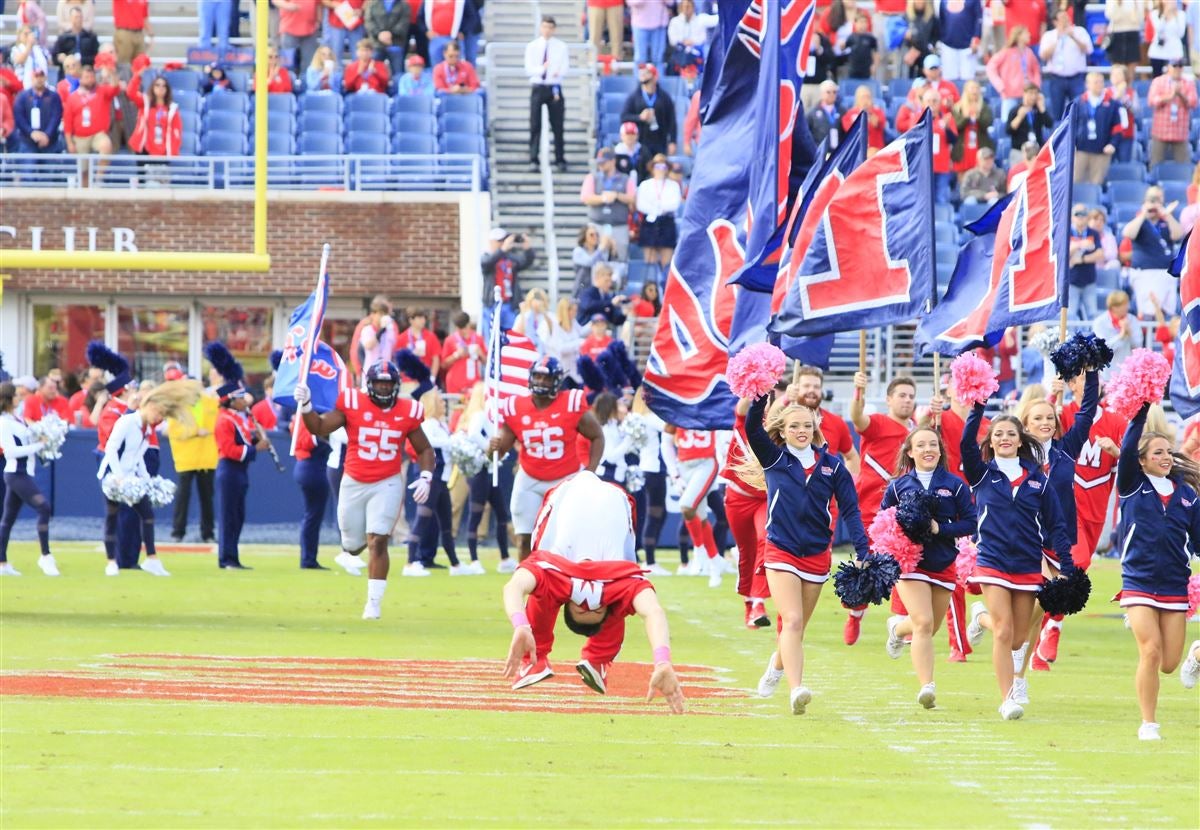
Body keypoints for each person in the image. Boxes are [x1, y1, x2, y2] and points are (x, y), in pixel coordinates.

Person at [745, 392, 869, 715]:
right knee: (794, 619)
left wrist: (862, 548)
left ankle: (775, 667)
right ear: (783, 431)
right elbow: (751, 428)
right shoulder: (774, 458)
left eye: (806, 425)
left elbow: (852, 511)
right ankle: (796, 689)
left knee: (796, 628)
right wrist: (760, 397)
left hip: (816, 554)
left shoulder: (833, 467)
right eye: (794, 426)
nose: (801, 430)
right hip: (780, 550)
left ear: (815, 428)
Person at [961, 399, 1073, 721]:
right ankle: (1007, 699)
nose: (1004, 438)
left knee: (1019, 638)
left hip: (1026, 565)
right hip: (992, 561)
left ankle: (979, 616)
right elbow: (967, 443)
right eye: (998, 434)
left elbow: (1057, 525)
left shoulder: (1038, 480)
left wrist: (1065, 567)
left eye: (1011, 433)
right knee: (1004, 632)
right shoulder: (981, 475)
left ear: (1021, 439)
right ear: (991, 440)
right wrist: (978, 407)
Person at [297, 360, 435, 619]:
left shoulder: (409, 410)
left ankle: (373, 603)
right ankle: (353, 549)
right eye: (379, 383)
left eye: (388, 383)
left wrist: (426, 475)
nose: (384, 388)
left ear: (396, 385)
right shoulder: (352, 402)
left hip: (388, 481)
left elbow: (424, 448)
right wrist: (306, 406)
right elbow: (319, 427)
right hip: (354, 480)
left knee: (378, 540)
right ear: (369, 385)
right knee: (352, 544)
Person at [500, 548, 684, 712]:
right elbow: (653, 611)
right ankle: (598, 658)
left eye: (581, 608)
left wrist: (521, 625)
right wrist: (662, 661)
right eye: (596, 608)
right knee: (618, 604)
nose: (588, 603)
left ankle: (538, 657)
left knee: (543, 592)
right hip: (618, 514)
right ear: (605, 607)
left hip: (558, 513)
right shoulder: (626, 583)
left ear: (566, 602)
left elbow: (513, 587)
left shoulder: (551, 574)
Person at [1114, 403, 1200, 740]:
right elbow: (1125, 450)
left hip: (1174, 585)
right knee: (1150, 650)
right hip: (1137, 581)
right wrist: (1140, 413)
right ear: (1142, 460)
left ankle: (1195, 653)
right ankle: (1149, 723)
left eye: (1168, 451)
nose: (1166, 457)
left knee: (1168, 663)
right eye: (1158, 452)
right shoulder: (1132, 486)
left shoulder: (1188, 496)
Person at [881, 426, 977, 707]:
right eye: (921, 445)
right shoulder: (898, 486)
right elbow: (883, 521)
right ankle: (927, 687)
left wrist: (940, 528)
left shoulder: (956, 484)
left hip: (943, 561)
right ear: (910, 452)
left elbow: (970, 522)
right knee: (923, 622)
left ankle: (897, 630)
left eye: (933, 444)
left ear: (940, 450)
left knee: (929, 626)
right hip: (910, 563)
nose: (928, 450)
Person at [488, 357, 605, 561]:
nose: (541, 381)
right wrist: (492, 449)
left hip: (565, 479)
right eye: (538, 376)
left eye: (546, 377)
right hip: (529, 478)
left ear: (557, 381)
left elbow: (597, 436)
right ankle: (527, 584)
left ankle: (566, 582)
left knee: (567, 539)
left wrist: (590, 471)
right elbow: (497, 455)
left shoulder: (571, 403)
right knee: (524, 539)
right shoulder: (516, 407)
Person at [100, 379, 203, 578]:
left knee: (147, 515)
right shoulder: (127, 421)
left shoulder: (146, 429)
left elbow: (138, 457)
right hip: (112, 476)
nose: (159, 418)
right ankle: (111, 562)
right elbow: (110, 449)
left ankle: (152, 559)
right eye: (159, 413)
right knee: (112, 516)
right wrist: (119, 477)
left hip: (131, 477)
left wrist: (147, 480)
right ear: (151, 406)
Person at [845, 372, 918, 644]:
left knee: (904, 562)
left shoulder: (916, 432)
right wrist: (858, 392)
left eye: (911, 396)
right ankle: (855, 612)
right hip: (870, 506)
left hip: (903, 509)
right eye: (901, 395)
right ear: (889, 399)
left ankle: (901, 620)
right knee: (866, 564)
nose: (907, 400)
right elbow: (857, 418)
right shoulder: (878, 423)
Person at [209, 345, 268, 571]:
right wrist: (257, 448)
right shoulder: (224, 420)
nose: (246, 400)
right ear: (231, 400)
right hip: (229, 470)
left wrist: (254, 439)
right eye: (241, 397)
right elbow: (229, 449)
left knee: (238, 516)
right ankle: (226, 558)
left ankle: (233, 556)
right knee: (228, 517)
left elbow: (242, 442)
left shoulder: (238, 417)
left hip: (240, 471)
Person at [406, 389, 475, 575]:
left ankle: (456, 565)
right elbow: (430, 444)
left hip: (442, 479)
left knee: (446, 524)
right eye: (440, 401)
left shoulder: (440, 424)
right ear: (432, 404)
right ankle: (410, 562)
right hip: (432, 478)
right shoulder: (428, 424)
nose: (444, 404)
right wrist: (453, 441)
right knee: (422, 519)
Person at [0, 382, 58, 577]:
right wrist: (38, 446)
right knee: (43, 507)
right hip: (16, 473)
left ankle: (2, 564)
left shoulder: (16, 418)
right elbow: (9, 451)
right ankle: (45, 556)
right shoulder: (3, 422)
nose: (19, 397)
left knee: (7, 520)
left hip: (24, 472)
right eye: (16, 395)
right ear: (8, 399)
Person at [457, 383, 515, 573]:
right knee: (476, 514)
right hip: (481, 471)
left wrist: (498, 452)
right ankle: (474, 560)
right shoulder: (479, 415)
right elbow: (474, 435)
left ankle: (505, 558)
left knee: (501, 514)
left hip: (491, 470)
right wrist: (489, 449)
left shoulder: (491, 418)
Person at [724, 394, 770, 626]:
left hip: (764, 499)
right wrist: (753, 387)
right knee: (746, 551)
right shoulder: (743, 423)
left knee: (765, 540)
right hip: (738, 498)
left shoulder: (776, 429)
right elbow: (742, 407)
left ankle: (759, 602)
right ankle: (748, 601)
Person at [167, 378, 218, 543]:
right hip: (186, 457)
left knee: (207, 497)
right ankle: (178, 531)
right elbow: (174, 430)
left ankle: (208, 533)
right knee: (183, 496)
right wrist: (195, 431)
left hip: (206, 457)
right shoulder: (178, 406)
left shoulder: (211, 403)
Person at [1123, 185, 1185, 320]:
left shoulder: (1166, 220)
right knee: (1147, 312)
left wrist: (1167, 215)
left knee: (1168, 312)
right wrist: (1144, 214)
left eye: (1156, 201)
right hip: (1144, 272)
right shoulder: (1140, 221)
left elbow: (1178, 235)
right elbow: (1128, 233)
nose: (1153, 205)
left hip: (1165, 272)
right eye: (1151, 201)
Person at [524, 15, 569, 172]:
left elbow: (564, 68)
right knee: (535, 124)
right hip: (538, 85)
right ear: (540, 28)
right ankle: (533, 158)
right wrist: (542, 69)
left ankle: (559, 158)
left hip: (554, 86)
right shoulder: (533, 46)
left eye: (550, 27)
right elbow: (529, 69)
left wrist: (556, 72)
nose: (547, 30)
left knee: (557, 125)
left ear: (554, 29)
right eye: (544, 27)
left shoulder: (561, 46)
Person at [62, 63, 118, 181]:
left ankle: (98, 179)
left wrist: (111, 73)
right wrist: (69, 143)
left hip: (98, 134)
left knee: (106, 145)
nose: (90, 80)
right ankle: (85, 192)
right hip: (80, 137)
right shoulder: (73, 98)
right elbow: (67, 122)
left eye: (92, 77)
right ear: (81, 79)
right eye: (87, 77)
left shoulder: (101, 91)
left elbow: (115, 88)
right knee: (84, 171)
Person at [580, 149, 635, 260]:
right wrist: (603, 198)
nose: (601, 165)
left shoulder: (625, 179)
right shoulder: (592, 178)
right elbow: (585, 198)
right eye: (599, 162)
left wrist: (617, 196)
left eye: (604, 162)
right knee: (596, 259)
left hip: (619, 225)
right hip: (597, 225)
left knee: (620, 259)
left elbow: (633, 198)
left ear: (613, 161)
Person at [481, 228, 536, 336]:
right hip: (492, 304)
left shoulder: (510, 258)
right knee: (492, 337)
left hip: (509, 304)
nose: (503, 243)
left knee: (511, 335)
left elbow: (525, 262)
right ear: (492, 242)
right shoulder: (486, 257)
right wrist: (502, 250)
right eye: (500, 241)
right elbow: (487, 263)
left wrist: (528, 249)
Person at [635, 153, 683, 279]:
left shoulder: (673, 185)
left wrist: (660, 208)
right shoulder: (645, 185)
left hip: (666, 221)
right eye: (657, 166)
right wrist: (655, 209)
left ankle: (665, 285)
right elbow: (641, 204)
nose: (660, 169)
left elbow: (674, 203)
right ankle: (650, 285)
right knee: (650, 259)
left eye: (663, 166)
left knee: (666, 258)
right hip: (650, 222)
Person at [1038, 8, 1092, 118]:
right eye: (1061, 18)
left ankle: (1078, 135)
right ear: (1055, 22)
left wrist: (1073, 36)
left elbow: (1088, 50)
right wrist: (1058, 39)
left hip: (1076, 78)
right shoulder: (1049, 35)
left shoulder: (1079, 31)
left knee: (1079, 112)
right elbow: (1043, 55)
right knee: (1057, 113)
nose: (1065, 20)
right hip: (1057, 78)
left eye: (1066, 17)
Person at [620, 64, 677, 162]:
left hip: (660, 141)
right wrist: (640, 117)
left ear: (655, 76)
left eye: (647, 73)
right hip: (639, 142)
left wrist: (672, 141)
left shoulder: (664, 97)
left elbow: (671, 120)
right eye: (641, 73)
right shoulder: (633, 97)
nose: (643, 75)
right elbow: (624, 117)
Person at [1146, 59, 1197, 166]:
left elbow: (1193, 103)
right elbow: (1152, 101)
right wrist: (1170, 95)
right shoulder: (1158, 81)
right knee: (1155, 164)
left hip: (1180, 133)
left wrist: (1180, 94)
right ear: (1168, 67)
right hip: (1161, 132)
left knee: (1184, 167)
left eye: (1180, 66)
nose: (1178, 68)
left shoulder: (1188, 83)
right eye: (1175, 66)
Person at [1073, 71, 1120, 186]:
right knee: (1075, 184)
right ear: (1087, 85)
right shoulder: (1078, 102)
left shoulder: (1112, 103)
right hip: (1080, 151)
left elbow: (1118, 127)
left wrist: (1113, 144)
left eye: (1101, 82)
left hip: (1101, 152)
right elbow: (1070, 126)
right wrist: (1072, 144)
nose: (1099, 85)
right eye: (1096, 82)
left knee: (1095, 186)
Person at [986, 26, 1041, 121]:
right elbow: (990, 68)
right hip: (1009, 94)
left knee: (1029, 124)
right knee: (1008, 122)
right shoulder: (1006, 52)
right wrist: (1000, 85)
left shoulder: (1029, 52)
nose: (1029, 35)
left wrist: (1036, 86)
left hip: (1028, 95)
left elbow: (1036, 69)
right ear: (1018, 36)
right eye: (1026, 33)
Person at [126, 69, 182, 158]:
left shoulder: (172, 109)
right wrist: (137, 76)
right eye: (157, 85)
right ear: (152, 87)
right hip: (144, 149)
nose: (161, 88)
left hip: (164, 151)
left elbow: (176, 132)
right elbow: (130, 93)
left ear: (167, 89)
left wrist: (172, 151)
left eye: (164, 86)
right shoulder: (145, 102)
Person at [349, 295, 399, 385]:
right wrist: (358, 371)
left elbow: (394, 349)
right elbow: (363, 347)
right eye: (381, 314)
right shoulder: (366, 327)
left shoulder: (391, 329)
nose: (384, 317)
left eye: (386, 314)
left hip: (386, 373)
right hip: (370, 372)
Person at [1067, 203, 1104, 321]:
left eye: (1083, 214)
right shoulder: (1066, 232)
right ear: (1072, 217)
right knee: (1071, 315)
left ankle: (1092, 340)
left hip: (1089, 280)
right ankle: (1070, 339)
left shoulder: (1093, 233)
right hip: (1071, 281)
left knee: (1092, 314)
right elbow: (1063, 254)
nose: (1080, 217)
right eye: (1077, 214)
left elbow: (1100, 254)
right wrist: (1081, 244)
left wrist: (1080, 259)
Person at [11, 67, 61, 153]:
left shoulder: (54, 96)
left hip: (50, 140)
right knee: (29, 165)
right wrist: (32, 133)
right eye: (36, 76)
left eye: (41, 76)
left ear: (45, 78)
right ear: (31, 78)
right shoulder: (22, 97)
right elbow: (19, 118)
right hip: (27, 140)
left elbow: (56, 117)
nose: (39, 79)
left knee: (51, 165)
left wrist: (47, 135)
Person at [950, 80, 992, 179]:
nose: (975, 91)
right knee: (962, 178)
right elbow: (956, 127)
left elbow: (987, 124)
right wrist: (966, 117)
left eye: (977, 88)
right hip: (962, 149)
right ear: (966, 91)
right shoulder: (957, 108)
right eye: (972, 88)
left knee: (981, 177)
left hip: (979, 146)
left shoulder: (984, 107)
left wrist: (977, 116)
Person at [441, 312, 486, 397]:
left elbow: (486, 362)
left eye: (465, 327)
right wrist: (456, 355)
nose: (463, 331)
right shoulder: (450, 340)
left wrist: (480, 353)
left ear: (469, 324)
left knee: (473, 409)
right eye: (460, 329)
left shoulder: (478, 339)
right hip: (454, 384)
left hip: (473, 383)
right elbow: (443, 364)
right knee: (456, 409)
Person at [364, 0, 411, 79]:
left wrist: (391, 34)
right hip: (377, 44)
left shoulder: (403, 5)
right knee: (373, 72)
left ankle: (396, 90)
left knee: (398, 74)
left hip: (396, 43)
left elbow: (404, 22)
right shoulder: (372, 4)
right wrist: (379, 34)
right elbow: (369, 21)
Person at [572, 222, 618, 297]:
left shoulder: (599, 252)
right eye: (591, 235)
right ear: (584, 237)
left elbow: (607, 268)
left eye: (597, 234)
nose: (595, 237)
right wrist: (601, 248)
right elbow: (589, 262)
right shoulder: (578, 251)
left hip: (597, 291)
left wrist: (612, 252)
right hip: (583, 291)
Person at [576, 262, 629, 328]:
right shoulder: (587, 293)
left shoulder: (607, 297)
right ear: (597, 278)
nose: (609, 284)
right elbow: (588, 306)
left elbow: (614, 320)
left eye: (610, 282)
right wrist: (611, 302)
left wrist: (624, 313)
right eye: (606, 281)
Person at [841, 84, 886, 154]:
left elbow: (879, 124)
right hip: (857, 151)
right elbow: (850, 130)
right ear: (857, 99)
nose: (865, 100)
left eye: (868, 97)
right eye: (863, 97)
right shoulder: (850, 114)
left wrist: (869, 111)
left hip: (876, 151)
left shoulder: (878, 112)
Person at [1148, 0, 1188, 78]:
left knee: (1174, 78)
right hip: (1158, 52)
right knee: (1157, 78)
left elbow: (1181, 33)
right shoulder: (1154, 13)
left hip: (1174, 52)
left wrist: (1175, 16)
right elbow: (1158, 29)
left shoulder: (1181, 14)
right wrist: (1165, 15)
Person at [901, 0, 939, 79]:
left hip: (926, 52)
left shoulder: (932, 18)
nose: (920, 2)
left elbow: (935, 37)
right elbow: (903, 37)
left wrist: (920, 49)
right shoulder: (906, 17)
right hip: (910, 52)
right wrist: (911, 49)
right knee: (908, 75)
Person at [399, 308, 441, 377]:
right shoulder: (401, 338)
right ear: (411, 320)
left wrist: (432, 377)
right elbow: (399, 360)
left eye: (424, 318)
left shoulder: (431, 336)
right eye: (420, 318)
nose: (423, 320)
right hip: (408, 380)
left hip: (425, 378)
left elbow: (436, 359)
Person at [806, 80, 843, 150]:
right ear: (822, 94)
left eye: (834, 92)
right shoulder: (812, 113)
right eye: (828, 92)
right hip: (820, 152)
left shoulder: (842, 111)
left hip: (838, 153)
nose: (832, 94)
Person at [843, 12, 878, 81]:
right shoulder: (851, 37)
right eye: (861, 22)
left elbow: (876, 53)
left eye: (865, 22)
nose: (863, 25)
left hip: (866, 69)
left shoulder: (870, 38)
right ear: (855, 24)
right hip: (853, 69)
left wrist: (874, 65)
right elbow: (844, 49)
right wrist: (842, 45)